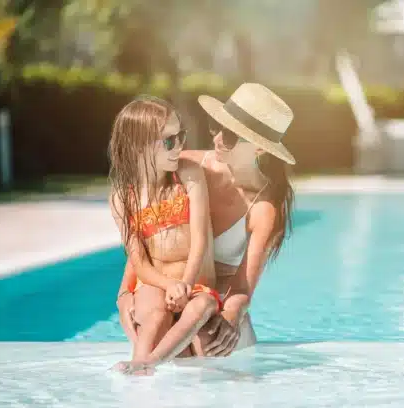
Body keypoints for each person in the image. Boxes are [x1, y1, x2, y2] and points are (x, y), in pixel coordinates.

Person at [116, 83, 296, 366]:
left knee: (208, 346)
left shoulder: (263, 209)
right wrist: (125, 292)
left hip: (213, 304)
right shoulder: (186, 168)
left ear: (260, 148)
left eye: (233, 136)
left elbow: (241, 290)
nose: (219, 138)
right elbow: (149, 231)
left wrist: (229, 319)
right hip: (165, 293)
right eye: (217, 126)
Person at [108, 95, 221, 375]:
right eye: (169, 141)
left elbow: (200, 240)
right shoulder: (123, 198)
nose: (179, 147)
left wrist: (184, 283)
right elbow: (140, 264)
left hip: (194, 283)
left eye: (180, 136)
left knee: (201, 307)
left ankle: (150, 362)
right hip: (156, 284)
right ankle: (140, 365)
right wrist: (167, 285)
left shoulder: (188, 175)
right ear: (138, 146)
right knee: (152, 308)